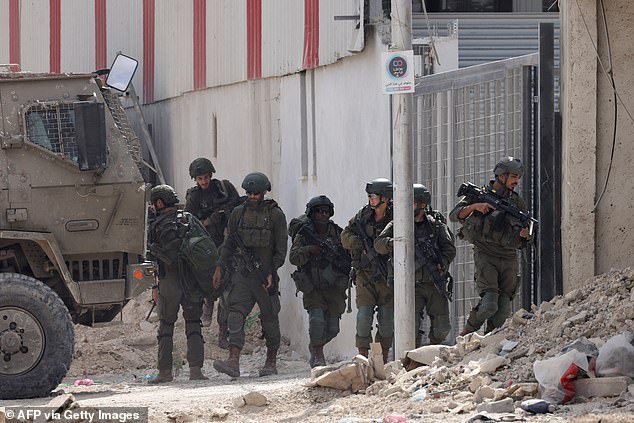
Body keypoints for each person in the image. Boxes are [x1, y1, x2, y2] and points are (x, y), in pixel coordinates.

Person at [212, 172, 287, 377]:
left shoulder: (275, 215)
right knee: (235, 314)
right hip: (242, 275)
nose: (253, 196)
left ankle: (271, 361)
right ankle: (233, 361)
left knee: (270, 318)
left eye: (257, 193)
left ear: (264, 192)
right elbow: (229, 243)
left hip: (265, 276)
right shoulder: (238, 213)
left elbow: (281, 249)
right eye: (250, 193)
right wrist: (220, 266)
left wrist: (272, 271)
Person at [449, 157, 532, 336]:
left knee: (502, 311)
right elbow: (454, 215)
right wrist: (475, 207)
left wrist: (526, 235)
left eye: (518, 177)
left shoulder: (517, 202)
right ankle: (465, 335)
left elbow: (527, 235)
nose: (516, 181)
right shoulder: (479, 194)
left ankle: (488, 342)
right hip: (486, 254)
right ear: (501, 176)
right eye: (514, 176)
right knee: (488, 305)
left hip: (509, 256)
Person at [146, 184, 216, 383]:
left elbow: (152, 259)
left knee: (166, 326)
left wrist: (154, 286)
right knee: (194, 324)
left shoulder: (157, 225)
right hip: (192, 279)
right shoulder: (189, 219)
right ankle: (196, 371)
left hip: (170, 280)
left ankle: (165, 372)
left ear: (159, 203)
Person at [375, 184, 456, 346]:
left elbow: (449, 248)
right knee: (410, 327)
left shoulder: (436, 226)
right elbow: (379, 245)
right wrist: (395, 242)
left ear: (423, 204)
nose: (406, 206)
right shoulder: (397, 225)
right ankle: (412, 359)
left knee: (442, 327)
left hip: (434, 282)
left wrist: (443, 262)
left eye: (410, 202)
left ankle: (432, 355)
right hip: (410, 285)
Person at [288, 196, 351, 368]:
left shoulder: (338, 233)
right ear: (311, 213)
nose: (322, 215)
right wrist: (309, 250)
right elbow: (294, 257)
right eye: (318, 211)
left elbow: (348, 256)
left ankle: (316, 346)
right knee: (316, 321)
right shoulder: (304, 235)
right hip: (312, 285)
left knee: (332, 329)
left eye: (325, 211)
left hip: (334, 287)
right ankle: (318, 355)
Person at [185, 158, 241, 348]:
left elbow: (234, 208)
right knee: (205, 283)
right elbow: (190, 221)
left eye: (206, 177)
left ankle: (223, 335)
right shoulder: (193, 197)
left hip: (226, 244)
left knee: (227, 291)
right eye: (200, 179)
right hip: (204, 247)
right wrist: (206, 223)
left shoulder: (223, 190)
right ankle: (207, 305)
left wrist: (216, 218)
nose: (204, 182)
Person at [340, 178, 394, 363]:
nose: (370, 199)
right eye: (369, 196)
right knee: (364, 317)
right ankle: (363, 358)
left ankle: (381, 359)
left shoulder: (396, 217)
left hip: (388, 276)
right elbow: (345, 236)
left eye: (374, 196)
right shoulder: (363, 216)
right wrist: (359, 244)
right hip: (365, 274)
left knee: (386, 320)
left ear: (385, 198)